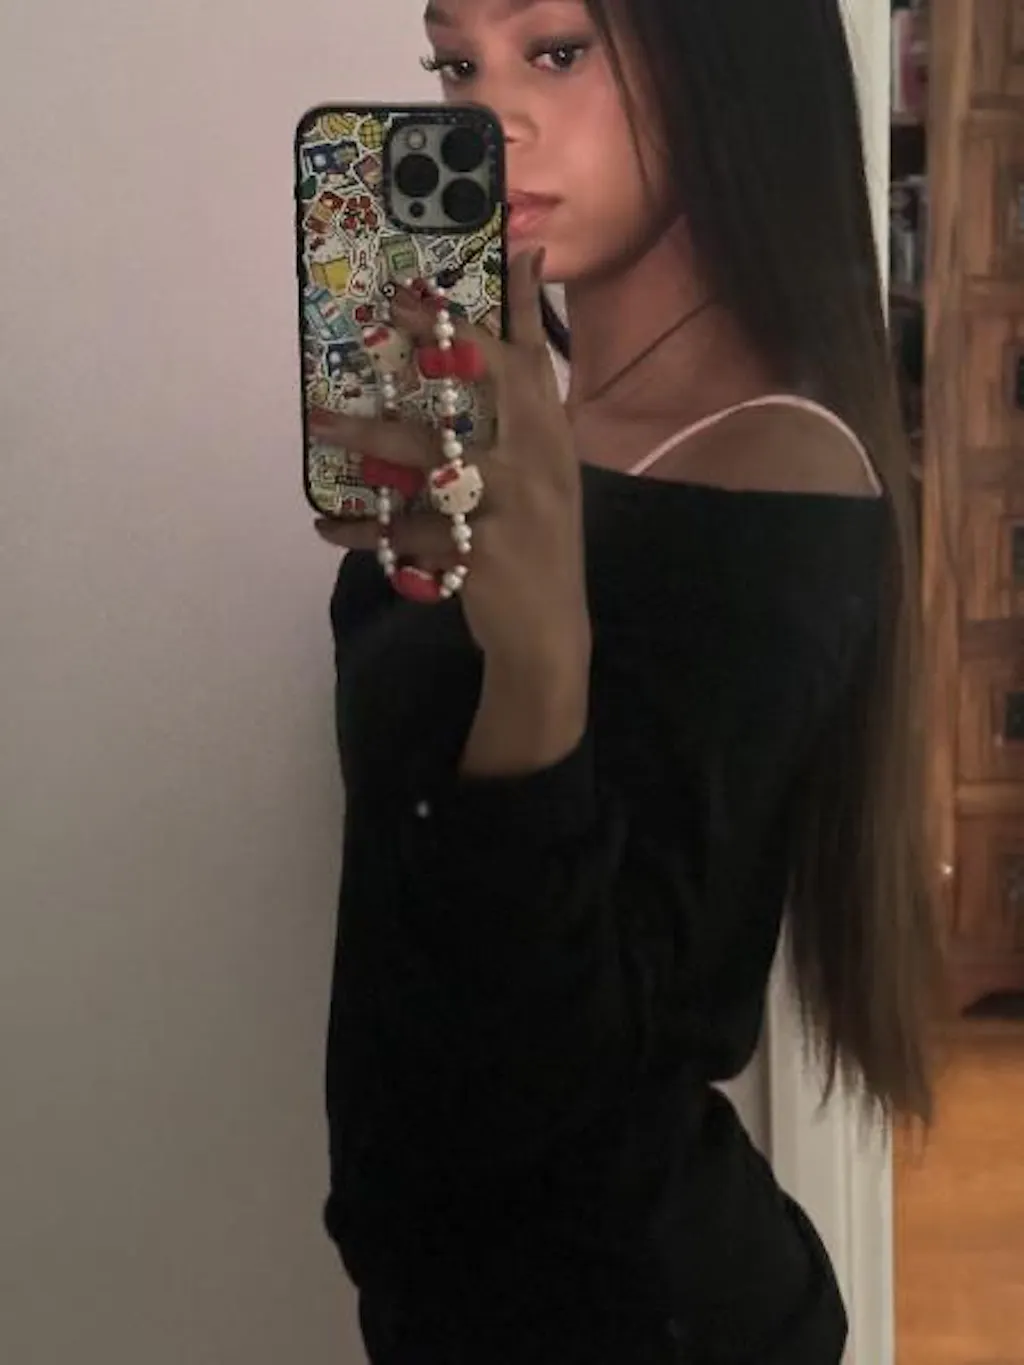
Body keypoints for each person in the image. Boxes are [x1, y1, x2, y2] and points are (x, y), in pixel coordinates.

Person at [311, 0, 943, 1361]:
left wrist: (538, 656)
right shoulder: (540, 425)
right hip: (451, 1304)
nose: (490, 115)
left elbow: (562, 1073)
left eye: (555, 50)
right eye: (455, 63)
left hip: (631, 1318)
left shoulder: (773, 482)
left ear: (728, 62)